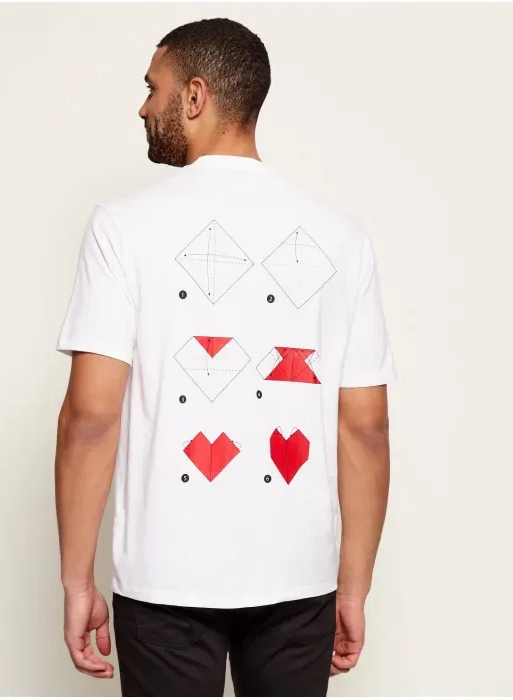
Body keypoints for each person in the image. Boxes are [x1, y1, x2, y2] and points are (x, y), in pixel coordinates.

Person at [55, 17, 396, 697]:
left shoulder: (122, 227)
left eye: (153, 88)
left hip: (164, 576)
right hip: (300, 579)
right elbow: (366, 426)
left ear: (195, 96)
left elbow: (91, 415)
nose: (143, 108)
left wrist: (75, 580)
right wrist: (353, 588)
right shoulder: (342, 237)